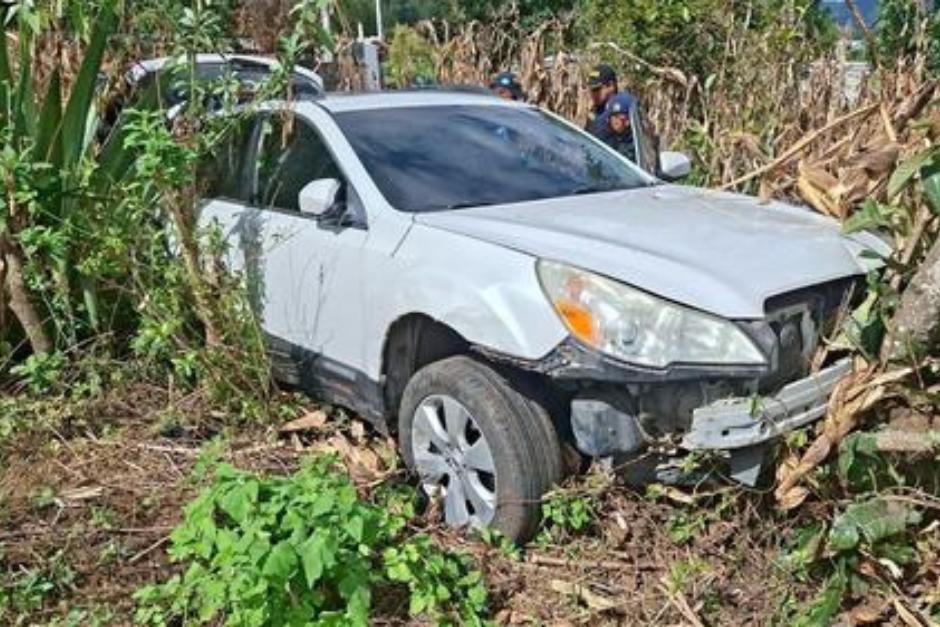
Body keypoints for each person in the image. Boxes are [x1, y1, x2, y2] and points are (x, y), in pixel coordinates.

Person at [598, 92, 637, 162]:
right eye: (613, 116)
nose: (615, 121)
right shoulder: (602, 134)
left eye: (618, 117)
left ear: (629, 120)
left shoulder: (636, 142)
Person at [586, 63, 618, 136]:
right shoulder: (596, 111)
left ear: (610, 85)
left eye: (596, 89)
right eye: (591, 90)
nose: (593, 94)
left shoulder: (621, 110)